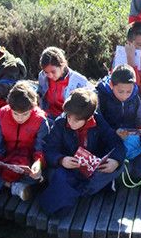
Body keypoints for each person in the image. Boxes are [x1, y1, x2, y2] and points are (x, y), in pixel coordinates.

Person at [38, 88, 125, 217]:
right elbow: (49, 149)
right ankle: (86, 189)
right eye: (68, 117)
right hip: (69, 168)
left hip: (92, 169)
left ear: (88, 118)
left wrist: (115, 161)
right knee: (56, 174)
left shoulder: (98, 121)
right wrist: (61, 160)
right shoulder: (60, 124)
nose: (70, 122)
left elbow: (116, 143)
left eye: (76, 121)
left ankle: (76, 190)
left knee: (119, 167)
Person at [95, 65, 141, 188]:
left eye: (129, 91)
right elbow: (98, 123)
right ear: (111, 85)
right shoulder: (102, 97)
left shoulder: (135, 98)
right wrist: (114, 133)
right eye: (120, 91)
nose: (125, 95)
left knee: (139, 173)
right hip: (109, 141)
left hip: (132, 140)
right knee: (116, 173)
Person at [37, 46, 90, 120]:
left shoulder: (79, 82)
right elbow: (40, 93)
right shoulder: (42, 76)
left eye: (53, 72)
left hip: (67, 119)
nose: (50, 76)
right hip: (46, 115)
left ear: (62, 65)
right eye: (46, 72)